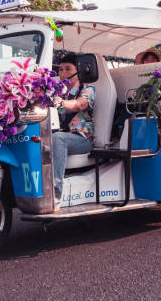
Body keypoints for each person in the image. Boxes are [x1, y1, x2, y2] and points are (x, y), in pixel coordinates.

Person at [53, 52, 95, 209]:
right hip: (62, 136)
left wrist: (59, 103)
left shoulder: (88, 89)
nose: (63, 73)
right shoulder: (57, 92)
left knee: (58, 138)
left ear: (79, 70)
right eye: (61, 69)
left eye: (68, 69)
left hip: (82, 139)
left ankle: (56, 193)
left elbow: (79, 104)